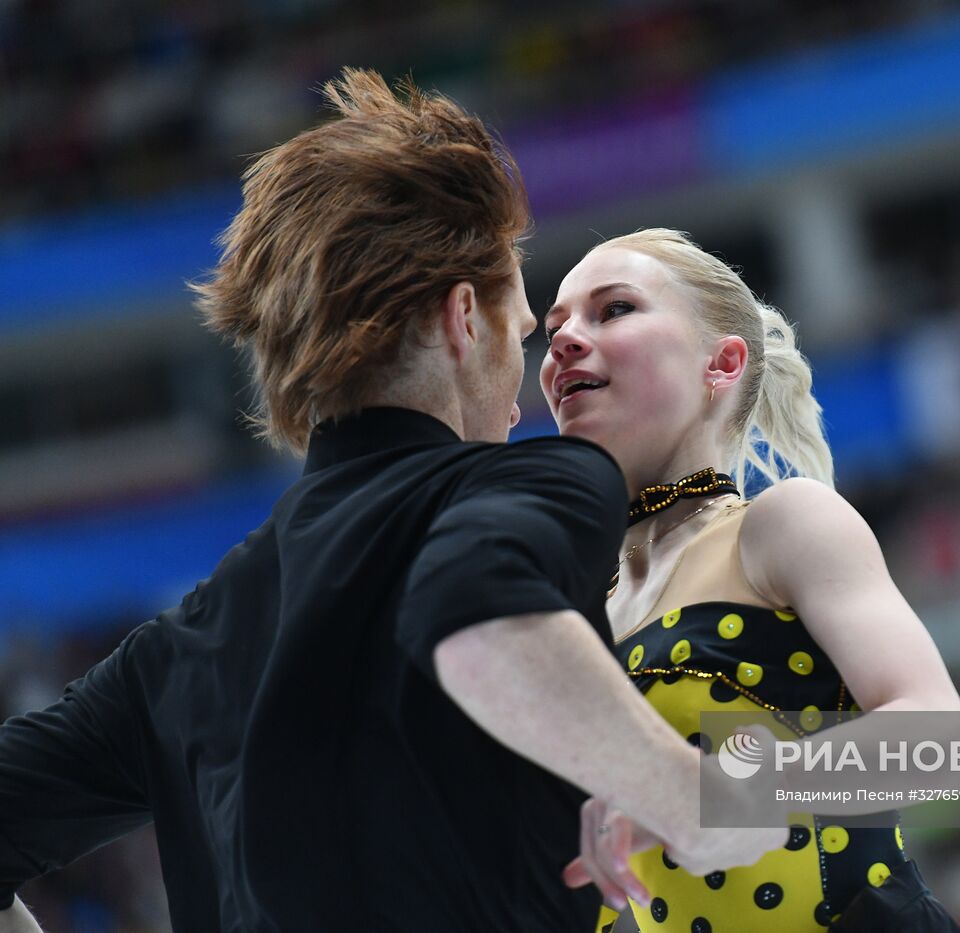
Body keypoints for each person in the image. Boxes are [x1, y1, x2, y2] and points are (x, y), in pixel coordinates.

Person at [0, 73, 783, 932]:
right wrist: (697, 798)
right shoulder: (540, 484)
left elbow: (945, 759)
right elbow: (479, 620)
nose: (539, 377)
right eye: (530, 332)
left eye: (616, 310)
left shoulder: (185, 640)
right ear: (461, 320)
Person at [539, 229, 960, 932]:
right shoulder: (577, 609)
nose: (564, 342)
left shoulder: (781, 526)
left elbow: (940, 744)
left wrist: (706, 793)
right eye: (555, 328)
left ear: (722, 362)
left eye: (613, 309)